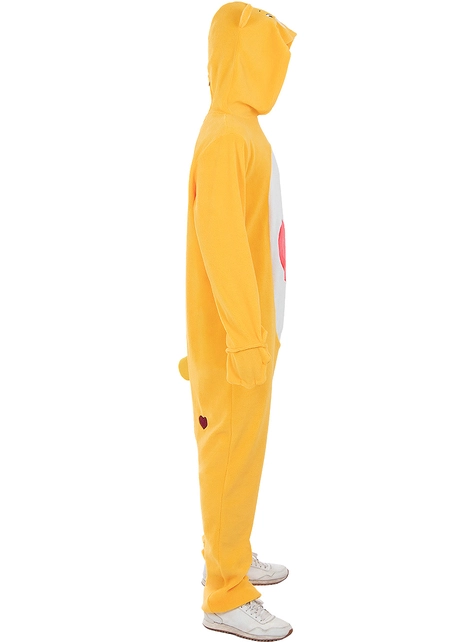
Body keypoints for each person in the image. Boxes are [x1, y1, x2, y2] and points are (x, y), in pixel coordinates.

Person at [178, 2, 296, 639]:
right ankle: (224, 593)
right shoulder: (228, 135)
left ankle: (232, 551)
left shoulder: (241, 131)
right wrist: (246, 340)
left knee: (241, 456)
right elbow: (220, 243)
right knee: (228, 456)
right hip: (235, 344)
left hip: (248, 338)